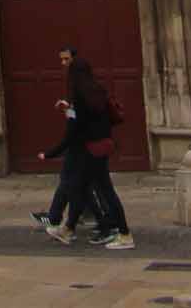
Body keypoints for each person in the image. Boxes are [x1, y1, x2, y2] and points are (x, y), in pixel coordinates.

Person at [35, 47, 134, 249]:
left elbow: (72, 133)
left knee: (102, 191)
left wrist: (50, 153)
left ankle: (123, 234)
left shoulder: (78, 100)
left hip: (88, 151)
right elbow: (103, 121)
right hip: (102, 147)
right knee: (80, 190)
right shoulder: (98, 92)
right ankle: (68, 229)